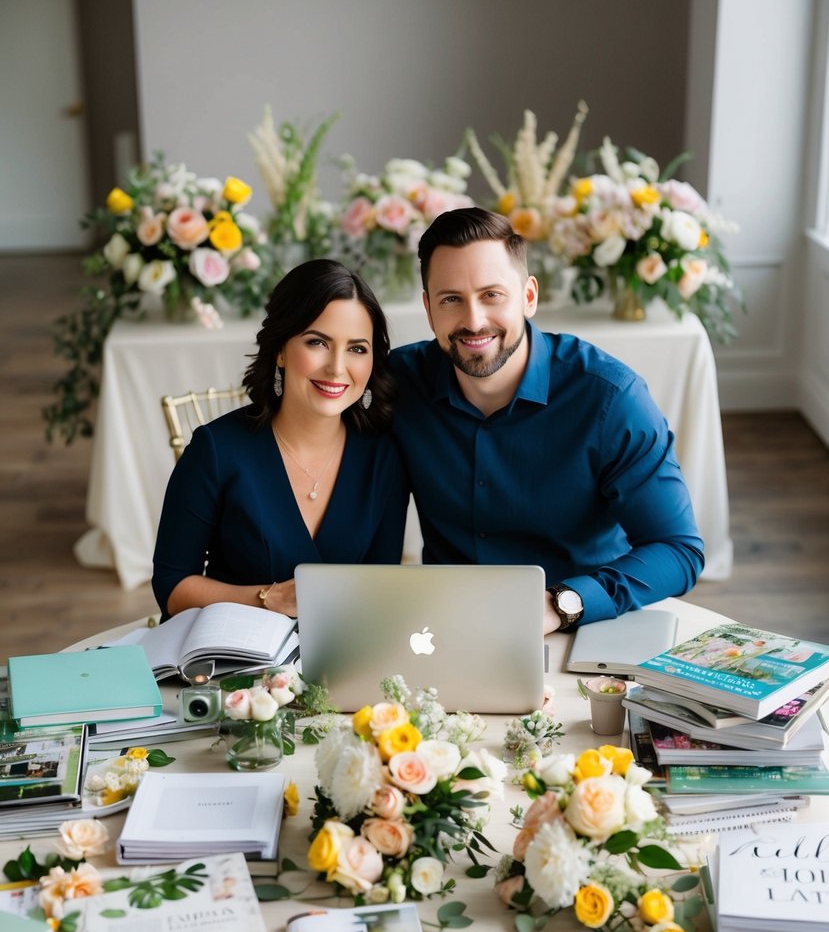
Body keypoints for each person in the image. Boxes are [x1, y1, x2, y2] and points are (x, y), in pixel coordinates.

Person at [389, 208, 705, 634]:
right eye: (451, 299)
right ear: (429, 309)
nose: (474, 320)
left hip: (582, 623)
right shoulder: (399, 383)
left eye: (491, 295)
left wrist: (560, 604)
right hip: (446, 627)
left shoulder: (611, 398)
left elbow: (678, 550)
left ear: (529, 297)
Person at [152, 259, 409, 620]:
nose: (337, 368)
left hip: (343, 659)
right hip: (234, 662)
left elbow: (381, 586)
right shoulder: (215, 450)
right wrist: (265, 597)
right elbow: (172, 586)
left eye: (356, 348)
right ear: (280, 350)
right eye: (317, 342)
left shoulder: (384, 456)